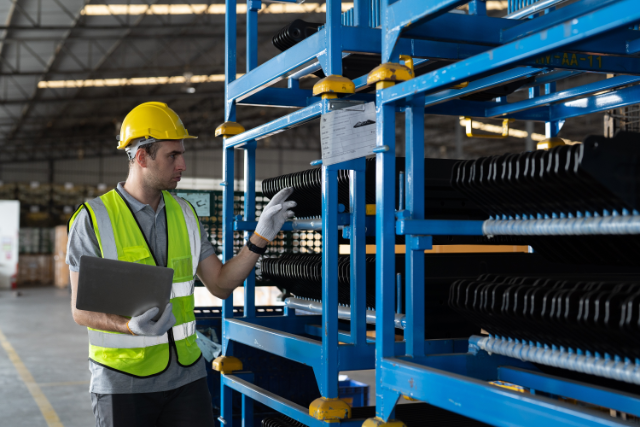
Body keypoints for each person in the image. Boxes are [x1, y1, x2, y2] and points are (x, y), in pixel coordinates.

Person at [66, 102, 296, 427]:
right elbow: (80, 311)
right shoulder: (93, 219)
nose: (183, 164)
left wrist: (259, 237)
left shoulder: (185, 213)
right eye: (172, 155)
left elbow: (219, 284)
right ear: (142, 157)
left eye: (182, 154)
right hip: (123, 381)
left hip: (187, 379)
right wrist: (129, 327)